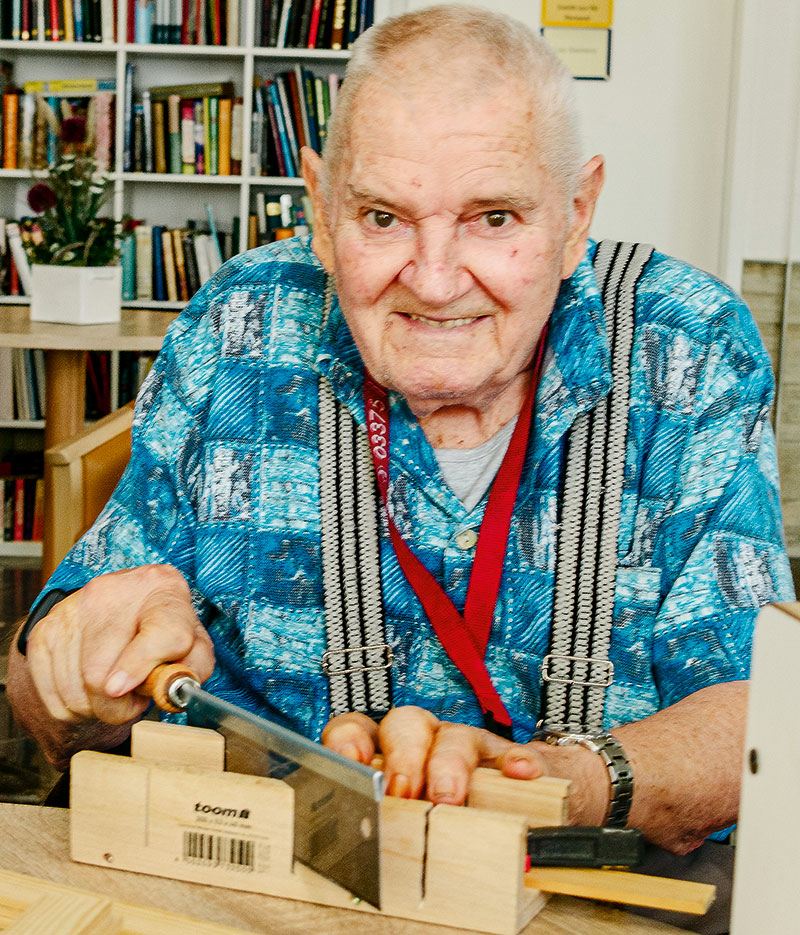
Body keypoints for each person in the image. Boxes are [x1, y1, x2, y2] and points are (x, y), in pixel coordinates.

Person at [7, 1, 794, 875]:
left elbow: (751, 717)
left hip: (582, 889)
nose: (433, 277)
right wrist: (83, 675)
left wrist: (564, 782)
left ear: (576, 213)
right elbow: (45, 706)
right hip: (263, 878)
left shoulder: (688, 345)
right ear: (318, 204)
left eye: (494, 217)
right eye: (382, 216)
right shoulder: (240, 322)